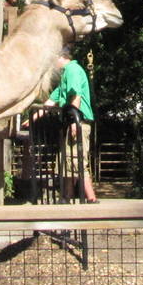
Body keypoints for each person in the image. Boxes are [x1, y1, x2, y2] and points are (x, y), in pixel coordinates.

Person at [47, 44, 97, 203]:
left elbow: (76, 96)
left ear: (61, 57)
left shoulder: (73, 70)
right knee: (68, 159)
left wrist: (75, 122)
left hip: (78, 121)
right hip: (71, 122)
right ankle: (68, 196)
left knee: (76, 159)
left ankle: (89, 198)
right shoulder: (64, 75)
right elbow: (52, 101)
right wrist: (32, 118)